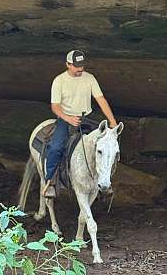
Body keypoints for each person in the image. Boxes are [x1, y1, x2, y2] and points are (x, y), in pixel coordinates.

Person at [43, 49, 118, 196]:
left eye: (81, 66)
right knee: (55, 147)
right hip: (66, 118)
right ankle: (50, 181)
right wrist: (68, 118)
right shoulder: (59, 81)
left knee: (107, 146)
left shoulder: (89, 78)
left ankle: (105, 181)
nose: (80, 69)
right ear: (67, 64)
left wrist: (112, 122)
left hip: (86, 118)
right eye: (76, 66)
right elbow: (55, 106)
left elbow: (101, 99)